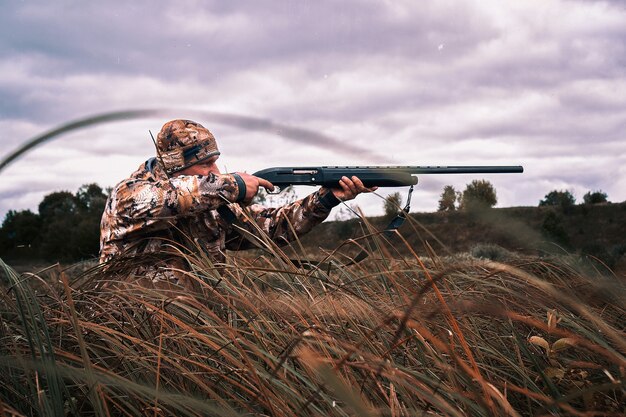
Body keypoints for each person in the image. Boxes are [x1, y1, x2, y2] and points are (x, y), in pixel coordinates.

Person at [99, 119, 375, 289]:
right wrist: (237, 185)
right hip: (129, 333)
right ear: (174, 167)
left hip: (198, 337)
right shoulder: (128, 196)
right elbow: (169, 198)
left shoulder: (212, 203)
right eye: (205, 163)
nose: (216, 171)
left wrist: (326, 198)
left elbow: (271, 229)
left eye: (215, 161)